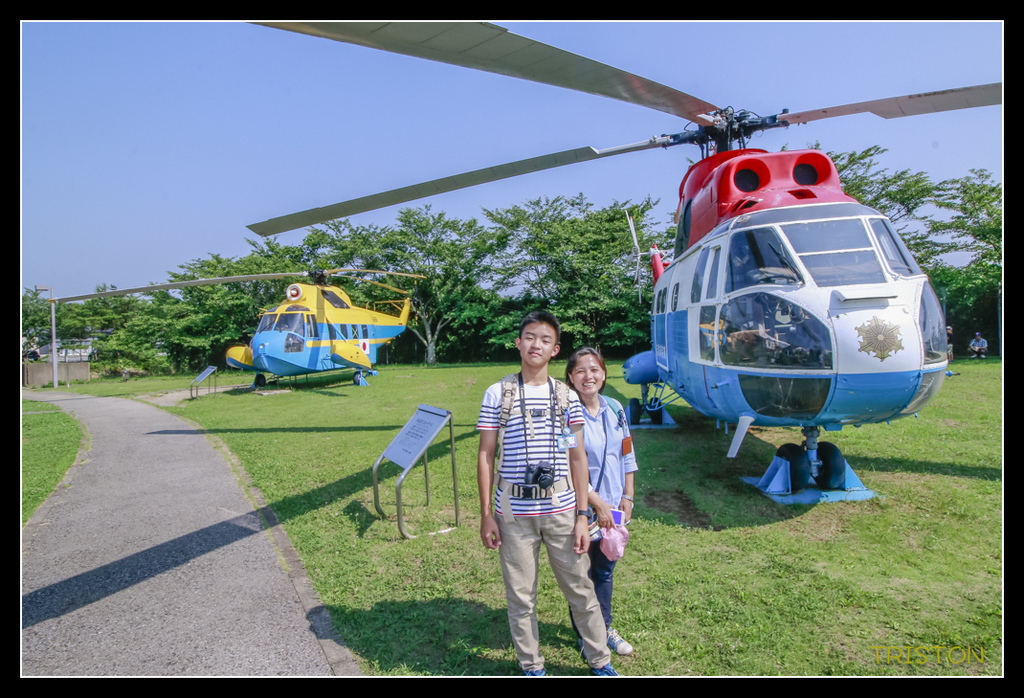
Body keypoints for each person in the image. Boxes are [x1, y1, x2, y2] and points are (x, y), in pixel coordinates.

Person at [477, 311, 618, 676]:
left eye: (544, 339)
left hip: (561, 511)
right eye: (529, 337)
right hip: (513, 515)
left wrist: (583, 516)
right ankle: (531, 665)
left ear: (555, 349)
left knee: (581, 591)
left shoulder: (565, 397)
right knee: (521, 597)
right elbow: (485, 455)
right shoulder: (498, 394)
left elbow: (577, 457)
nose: (535, 344)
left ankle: (600, 660)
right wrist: (486, 515)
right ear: (518, 343)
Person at [565, 347, 638, 657]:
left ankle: (604, 627)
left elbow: (627, 452)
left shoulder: (615, 408)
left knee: (605, 570)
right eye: (580, 370)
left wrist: (628, 496)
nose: (588, 376)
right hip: (581, 507)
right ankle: (586, 632)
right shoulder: (566, 412)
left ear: (604, 374)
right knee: (580, 573)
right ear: (570, 377)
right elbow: (567, 462)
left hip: (614, 507)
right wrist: (596, 503)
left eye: (594, 369)